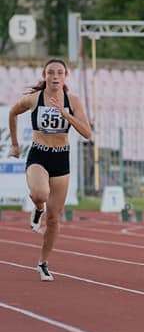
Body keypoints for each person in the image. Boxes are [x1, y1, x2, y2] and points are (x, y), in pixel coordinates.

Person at [7, 58, 92, 282]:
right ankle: (37, 209)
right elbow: (13, 113)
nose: (55, 77)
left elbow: (87, 133)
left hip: (61, 159)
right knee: (39, 194)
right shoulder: (34, 99)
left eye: (59, 73)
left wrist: (66, 115)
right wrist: (15, 144)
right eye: (51, 73)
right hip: (39, 155)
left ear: (65, 77)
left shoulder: (73, 101)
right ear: (44, 76)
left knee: (54, 219)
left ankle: (43, 262)